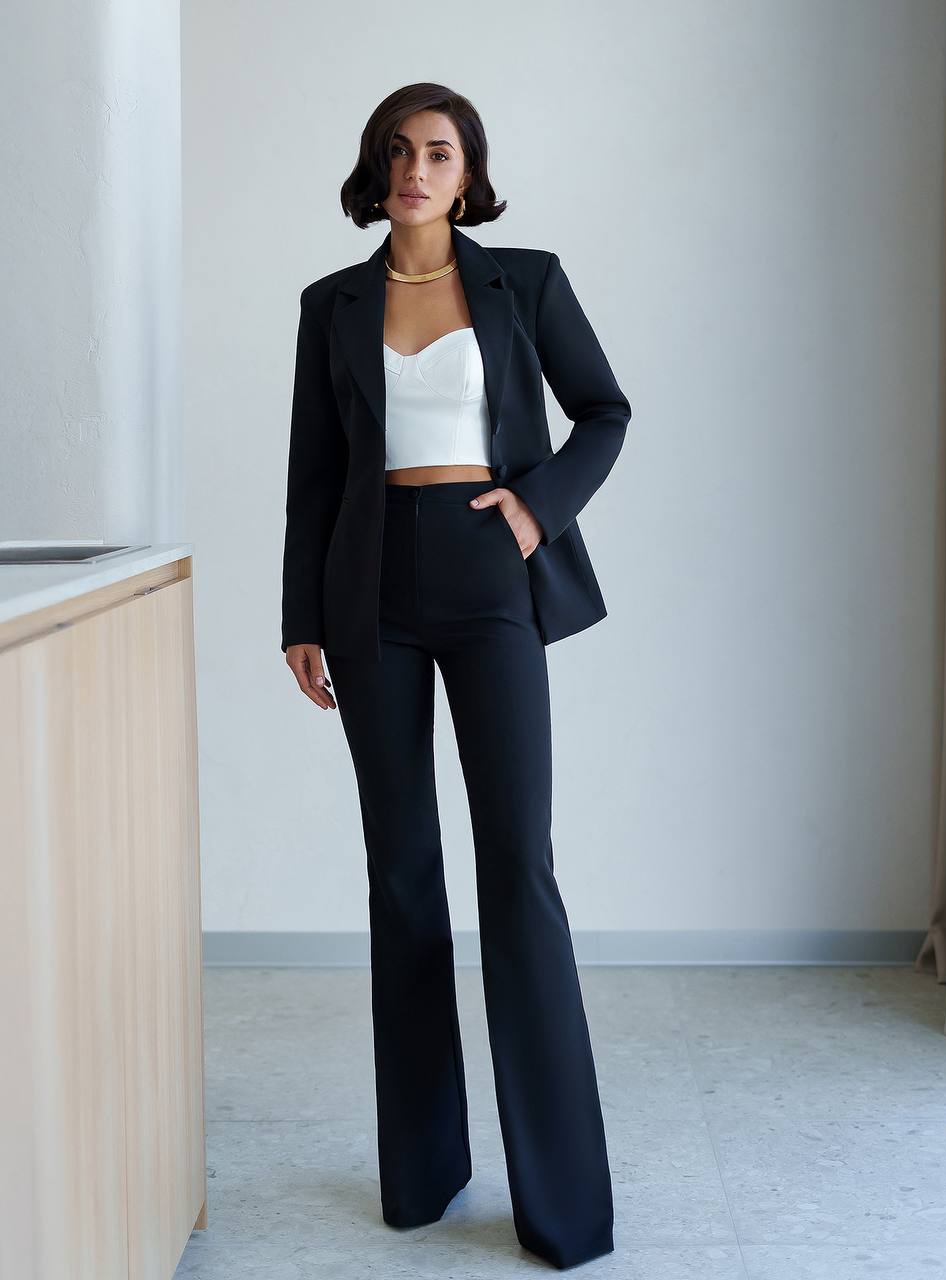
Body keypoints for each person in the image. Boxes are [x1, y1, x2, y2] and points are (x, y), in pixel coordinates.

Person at [280, 82, 631, 1271]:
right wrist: (300, 619)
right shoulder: (330, 304)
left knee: (516, 869)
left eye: (437, 151)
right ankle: (423, 1174)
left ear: (468, 174)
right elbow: (313, 477)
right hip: (368, 593)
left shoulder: (521, 280)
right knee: (401, 871)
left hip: (489, 581)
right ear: (375, 169)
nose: (415, 167)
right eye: (398, 149)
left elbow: (603, 411)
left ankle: (563, 1204)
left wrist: (535, 509)